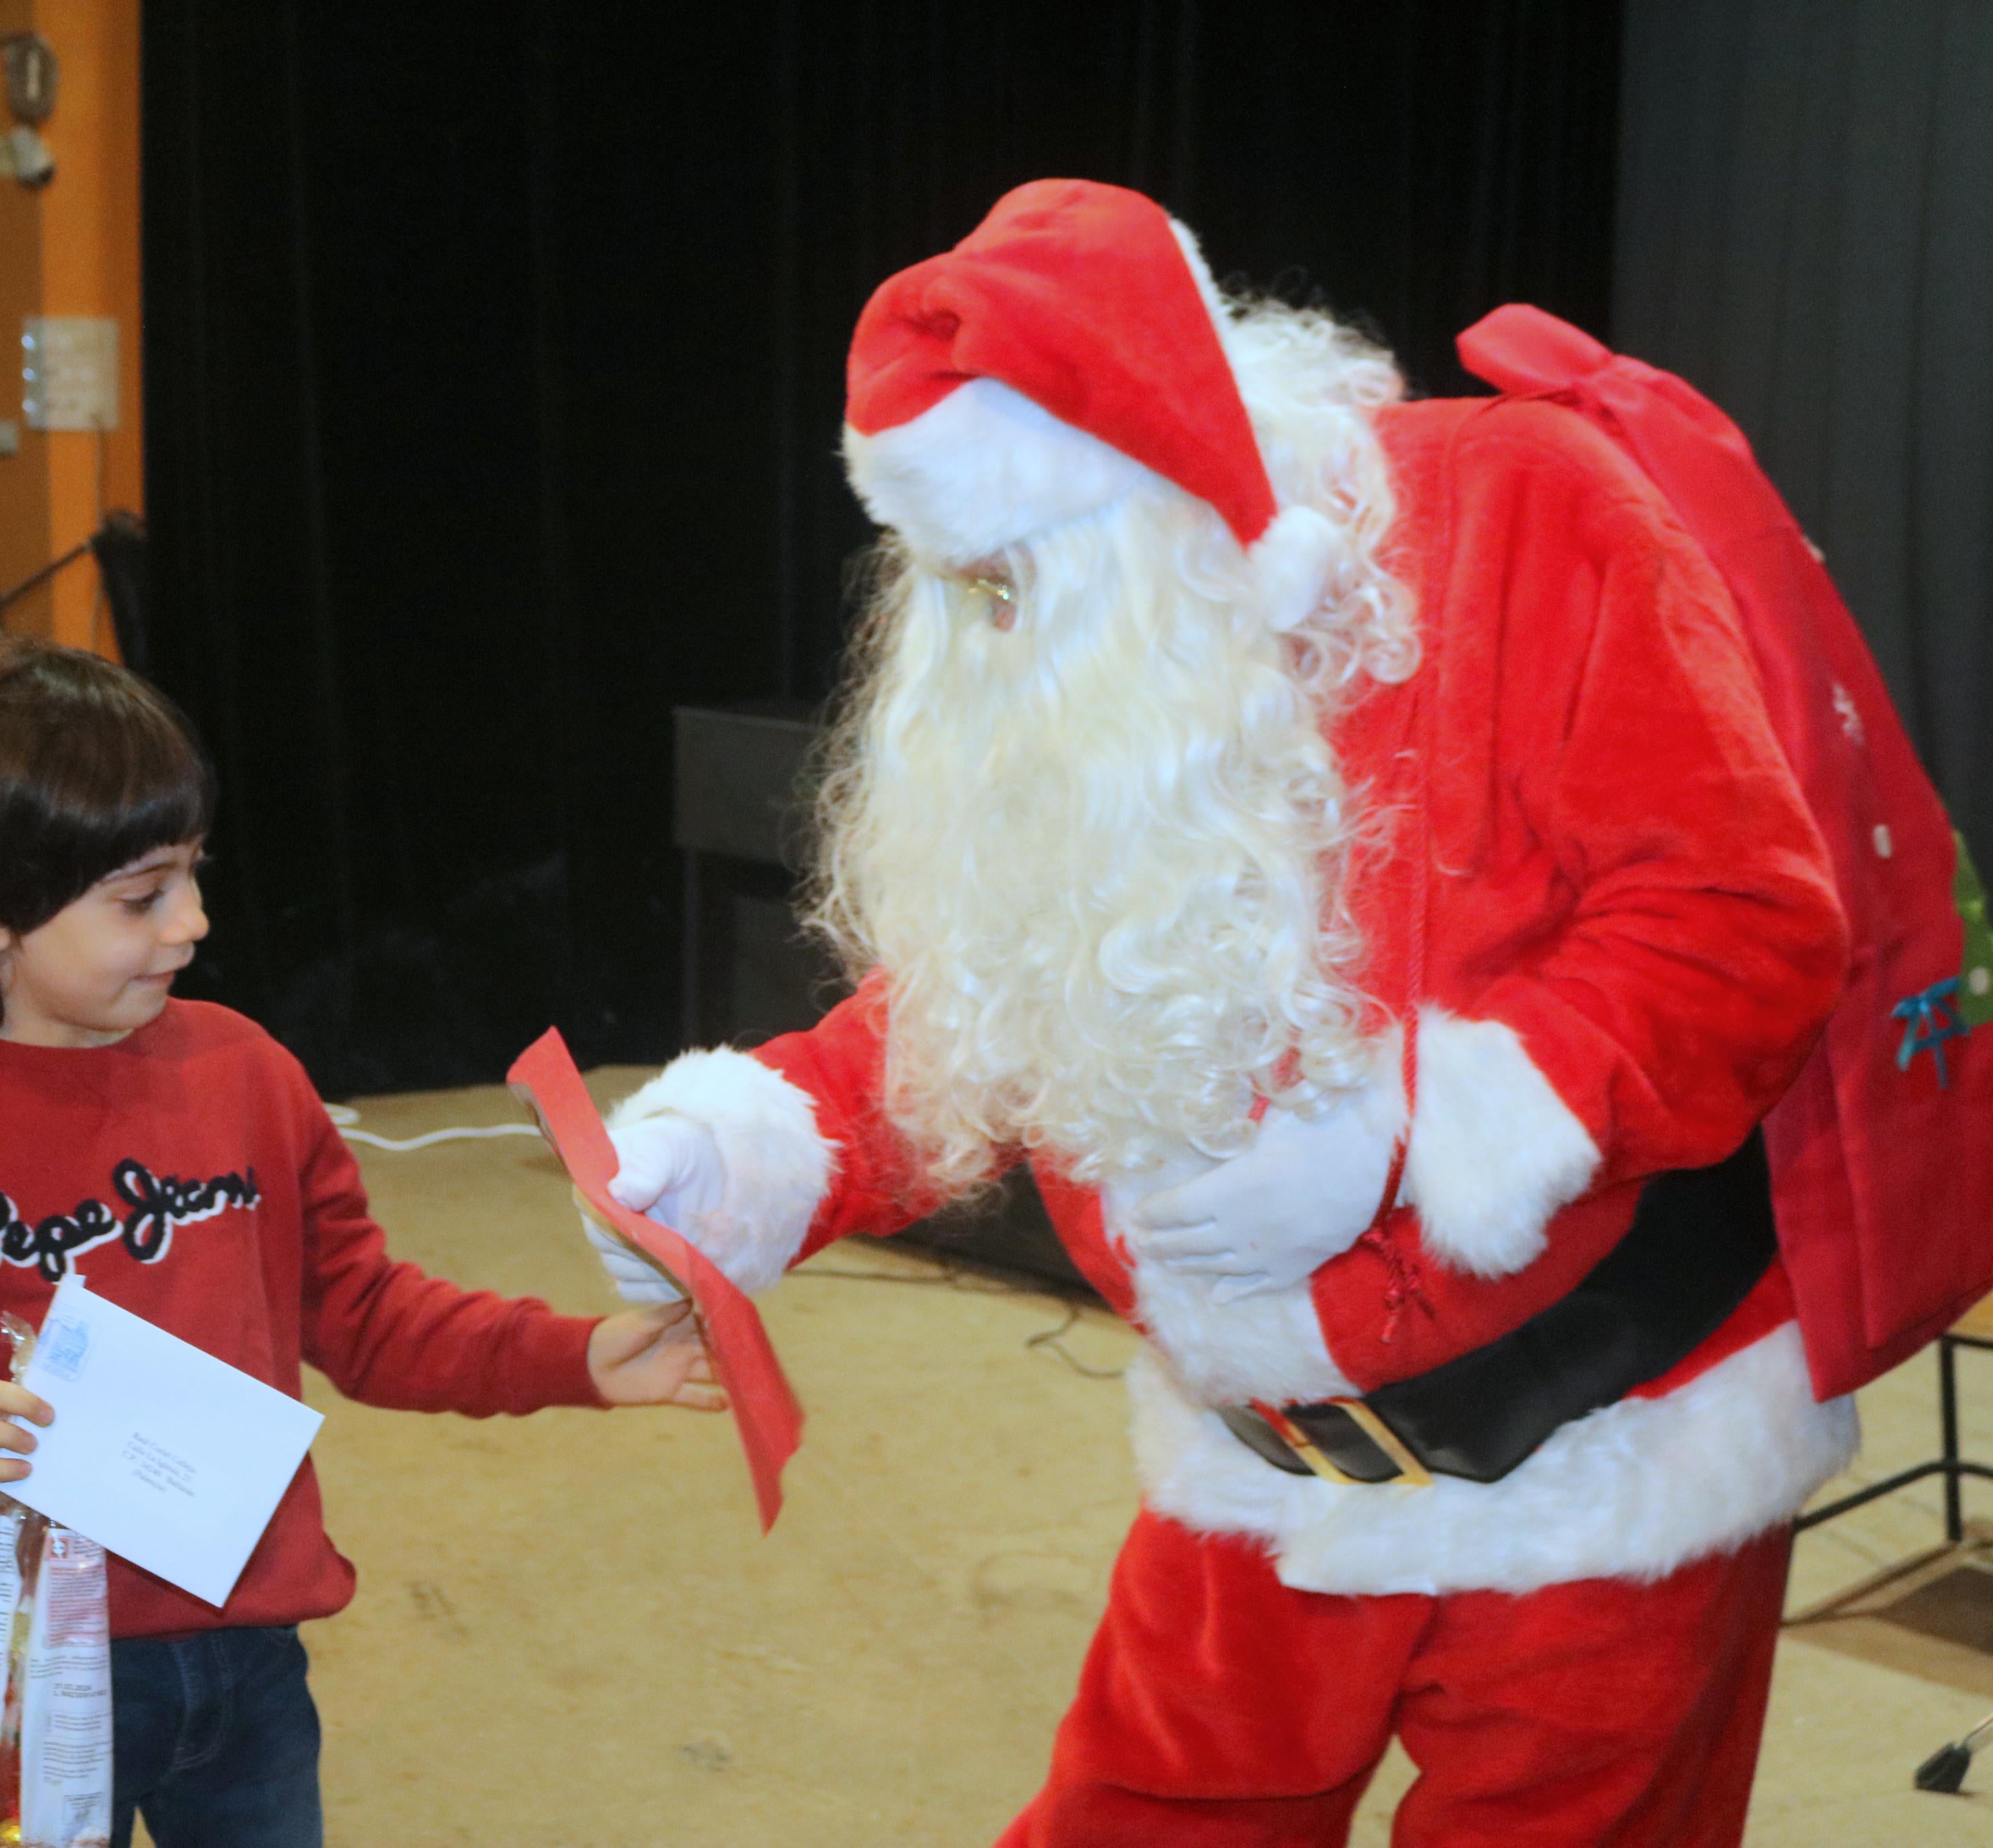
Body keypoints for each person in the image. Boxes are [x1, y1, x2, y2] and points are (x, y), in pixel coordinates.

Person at [592, 180, 1853, 1846]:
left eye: (1018, 575)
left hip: (1601, 1435)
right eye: (960, 584)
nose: (992, 630)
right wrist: (758, 1151)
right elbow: (991, 995)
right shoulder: (1071, 652)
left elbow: (1740, 921)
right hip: (1256, 1452)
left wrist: (1406, 1129)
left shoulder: (1520, 514)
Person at [0, 636, 720, 1847]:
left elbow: (361, 1311)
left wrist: (577, 1358)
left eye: (193, 875)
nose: (194, 921)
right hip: (32, 1676)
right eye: (142, 897)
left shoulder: (246, 1073)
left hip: (253, 1645)